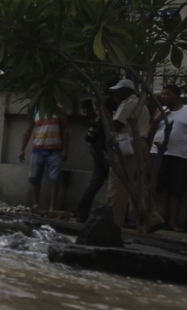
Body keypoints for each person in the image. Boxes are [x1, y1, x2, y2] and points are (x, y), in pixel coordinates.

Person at [148, 84, 187, 231]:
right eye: (162, 94)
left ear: (176, 95)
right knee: (155, 188)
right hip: (158, 153)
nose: (164, 97)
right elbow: (150, 131)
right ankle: (152, 219)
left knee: (176, 189)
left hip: (179, 155)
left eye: (167, 94)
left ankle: (173, 222)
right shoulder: (160, 110)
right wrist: (157, 119)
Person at [106, 79, 150, 227]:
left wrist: (106, 116)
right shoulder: (142, 105)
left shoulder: (128, 104)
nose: (115, 95)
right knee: (140, 185)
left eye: (118, 92)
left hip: (128, 145)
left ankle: (113, 222)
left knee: (118, 185)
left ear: (125, 91)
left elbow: (117, 125)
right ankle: (150, 219)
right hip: (141, 144)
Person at [18, 106, 69, 212]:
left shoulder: (59, 109)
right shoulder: (35, 110)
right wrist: (22, 149)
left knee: (54, 178)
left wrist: (65, 149)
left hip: (55, 150)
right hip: (38, 149)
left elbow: (65, 129)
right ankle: (36, 204)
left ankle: (52, 207)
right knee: (34, 177)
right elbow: (28, 130)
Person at [76, 94, 112, 222]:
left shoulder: (100, 119)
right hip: (102, 153)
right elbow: (90, 137)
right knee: (105, 182)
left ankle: (82, 213)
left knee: (96, 182)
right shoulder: (102, 119)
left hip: (99, 152)